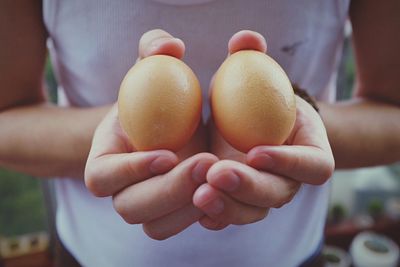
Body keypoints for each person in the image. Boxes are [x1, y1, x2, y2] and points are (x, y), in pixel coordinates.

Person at [0, 0, 399, 266]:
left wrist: (294, 122)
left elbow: (390, 112)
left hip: (289, 256)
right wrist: (136, 137)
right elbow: (8, 118)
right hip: (91, 255)